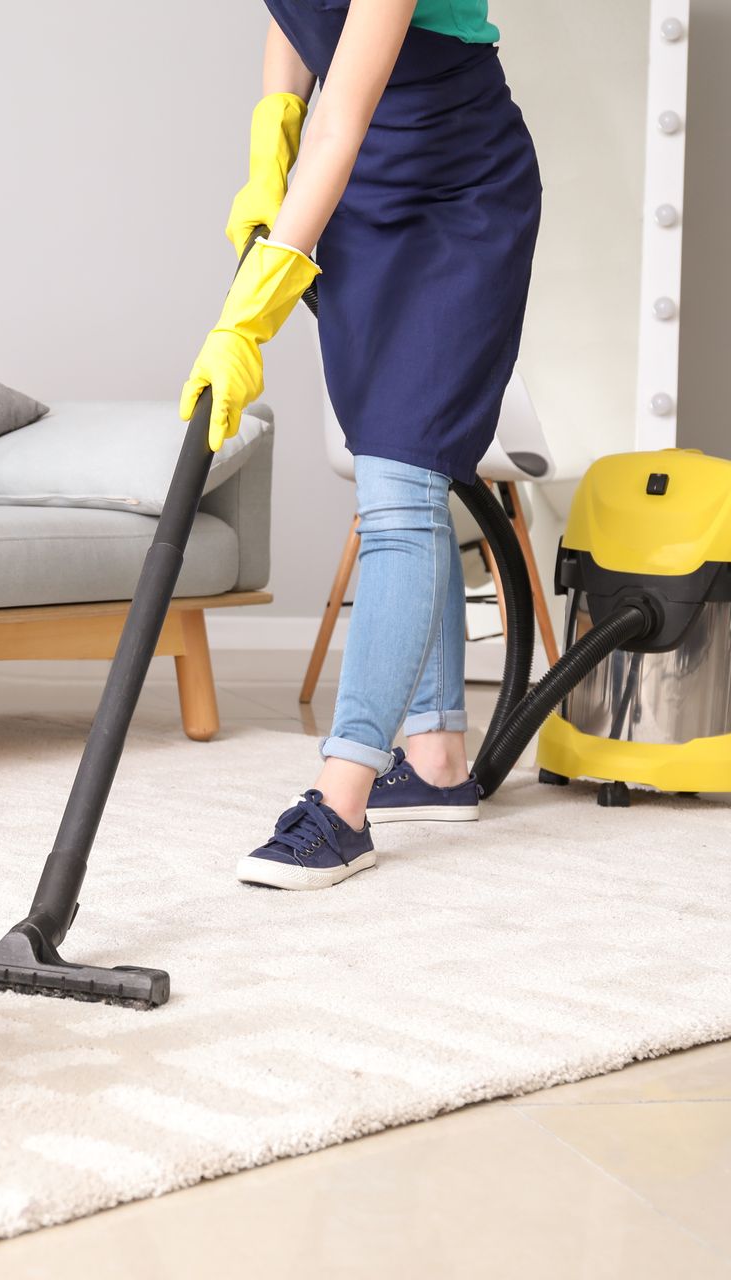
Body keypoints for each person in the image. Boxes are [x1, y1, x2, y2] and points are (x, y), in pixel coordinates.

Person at [180, 0, 541, 890]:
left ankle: (341, 805)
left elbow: (341, 121)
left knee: (402, 482)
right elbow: (293, 22)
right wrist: (272, 135)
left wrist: (248, 318)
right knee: (398, 472)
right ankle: (438, 760)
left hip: (458, 189)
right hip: (358, 197)